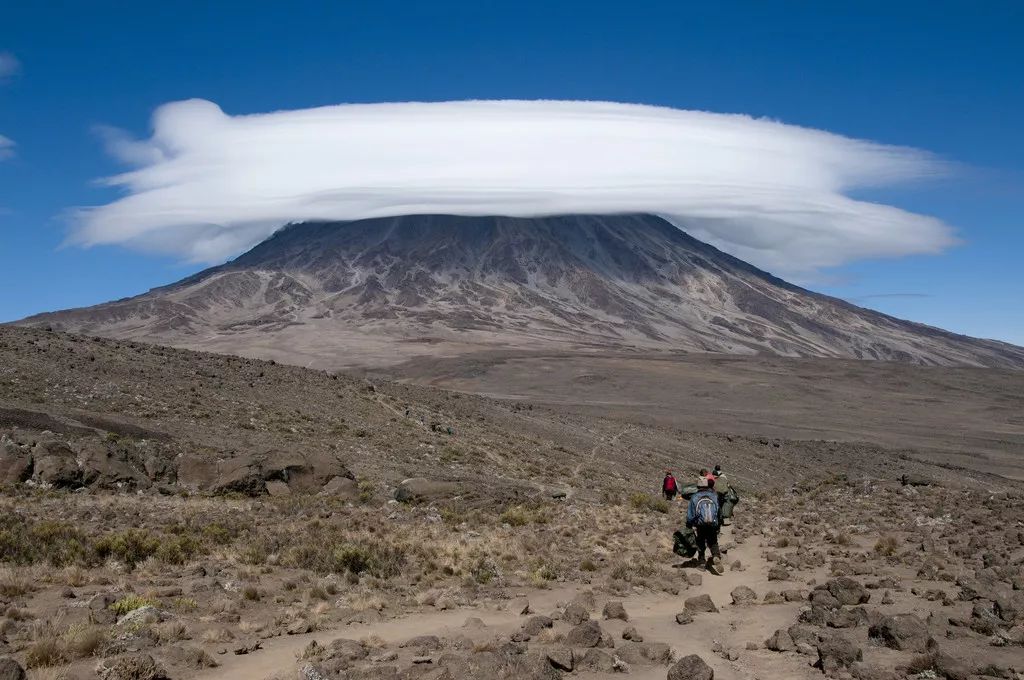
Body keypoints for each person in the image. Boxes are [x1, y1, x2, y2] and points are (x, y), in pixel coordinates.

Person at [686, 476, 722, 574]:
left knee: (700, 542)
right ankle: (716, 556)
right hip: (712, 523)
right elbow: (719, 512)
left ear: (698, 486)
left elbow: (690, 514)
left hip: (700, 525)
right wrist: (718, 525)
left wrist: (689, 525)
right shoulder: (714, 496)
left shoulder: (694, 497)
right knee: (713, 541)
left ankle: (702, 562)